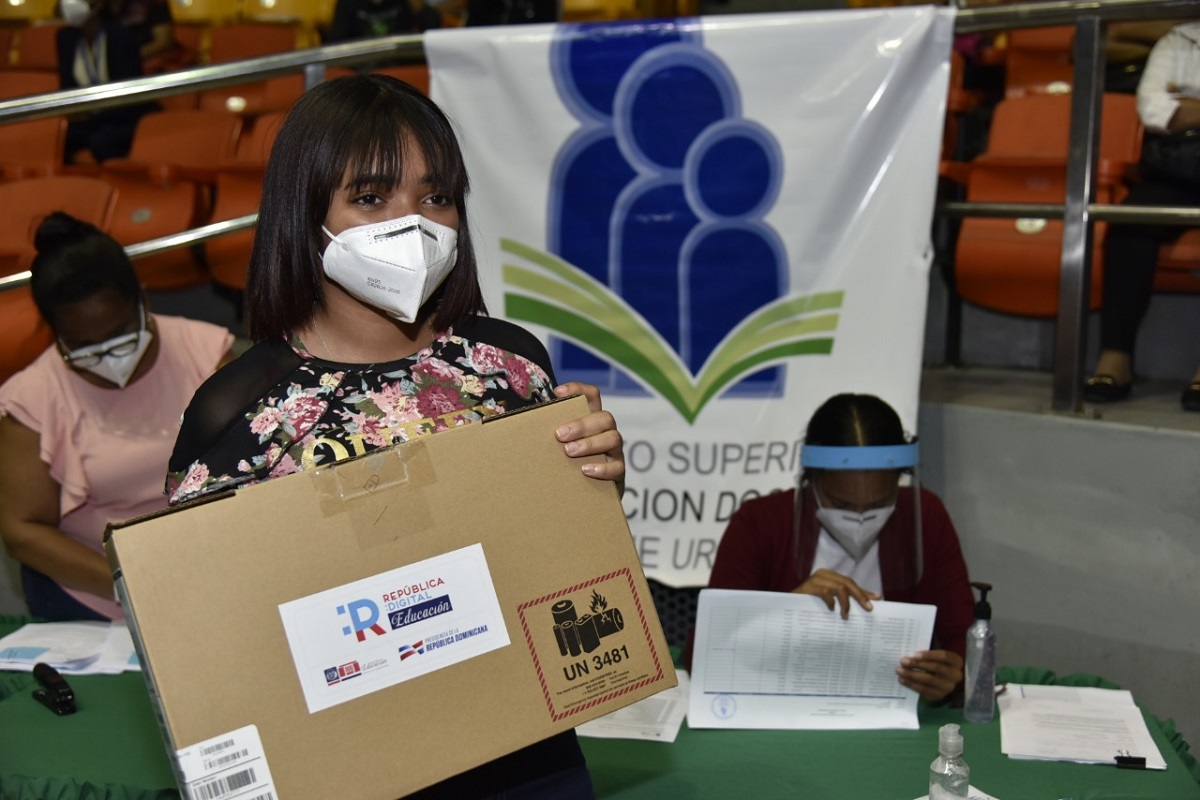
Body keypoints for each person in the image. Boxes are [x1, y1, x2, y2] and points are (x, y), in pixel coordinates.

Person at [165, 73, 624, 798]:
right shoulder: (239, 415)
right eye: (371, 198)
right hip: (338, 766)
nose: (413, 223)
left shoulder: (510, 364)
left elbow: (551, 561)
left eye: (435, 196)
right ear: (303, 209)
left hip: (525, 755)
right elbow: (206, 635)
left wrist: (597, 487)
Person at [0, 213, 234, 622]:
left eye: (121, 335)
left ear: (143, 302)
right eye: (85, 348)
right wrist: (135, 584)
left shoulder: (205, 352)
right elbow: (23, 531)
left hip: (217, 560)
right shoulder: (32, 399)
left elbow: (255, 468)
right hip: (101, 587)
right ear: (55, 333)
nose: (110, 357)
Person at [700, 393, 974, 704]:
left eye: (879, 504)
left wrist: (952, 677)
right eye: (842, 504)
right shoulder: (759, 523)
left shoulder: (925, 516)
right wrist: (785, 612)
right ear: (812, 482)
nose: (860, 519)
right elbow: (706, 651)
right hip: (782, 711)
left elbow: (965, 639)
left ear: (899, 481)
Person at [1084, 21, 1200, 411]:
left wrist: (1187, 102)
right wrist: (1175, 108)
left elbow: (1176, 111)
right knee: (1130, 219)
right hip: (1175, 171)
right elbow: (1154, 110)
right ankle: (1116, 358)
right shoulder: (1177, 39)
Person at [56, 0, 160, 163]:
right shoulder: (65, 39)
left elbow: (130, 97)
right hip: (88, 119)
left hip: (123, 116)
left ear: (98, 4)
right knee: (57, 136)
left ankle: (121, 183)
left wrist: (92, 112)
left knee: (103, 140)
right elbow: (67, 87)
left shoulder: (121, 35)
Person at [325, 0, 442, 44]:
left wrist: (417, 5)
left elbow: (432, 27)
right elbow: (337, 42)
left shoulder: (404, 3)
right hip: (363, 68)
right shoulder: (348, 4)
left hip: (400, 65)